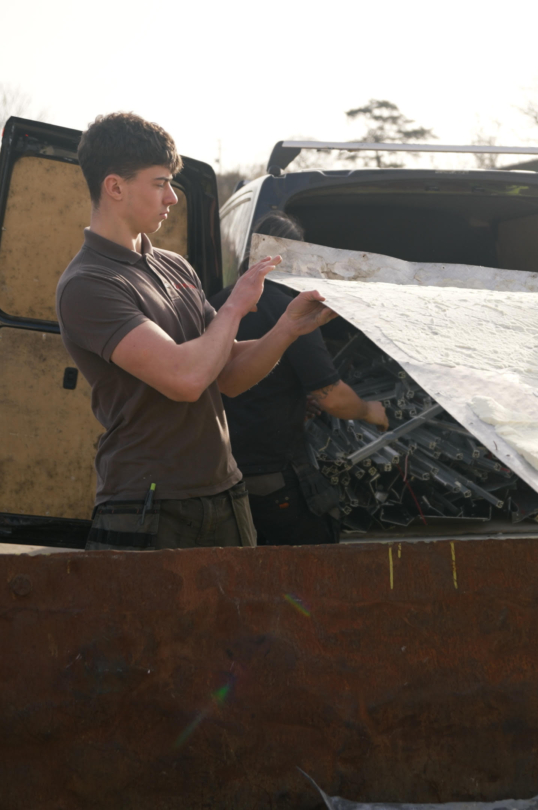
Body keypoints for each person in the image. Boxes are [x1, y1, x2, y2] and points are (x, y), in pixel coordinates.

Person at [56, 113, 335, 550]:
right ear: (115, 187)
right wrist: (238, 304)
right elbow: (185, 379)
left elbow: (225, 375)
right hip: (148, 504)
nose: (172, 197)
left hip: (226, 490)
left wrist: (286, 329)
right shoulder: (89, 283)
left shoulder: (175, 266)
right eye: (159, 183)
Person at [210, 212, 388, 545]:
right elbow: (330, 395)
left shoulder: (216, 304)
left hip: (217, 479)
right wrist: (368, 411)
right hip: (271, 477)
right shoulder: (290, 311)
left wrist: (289, 398)